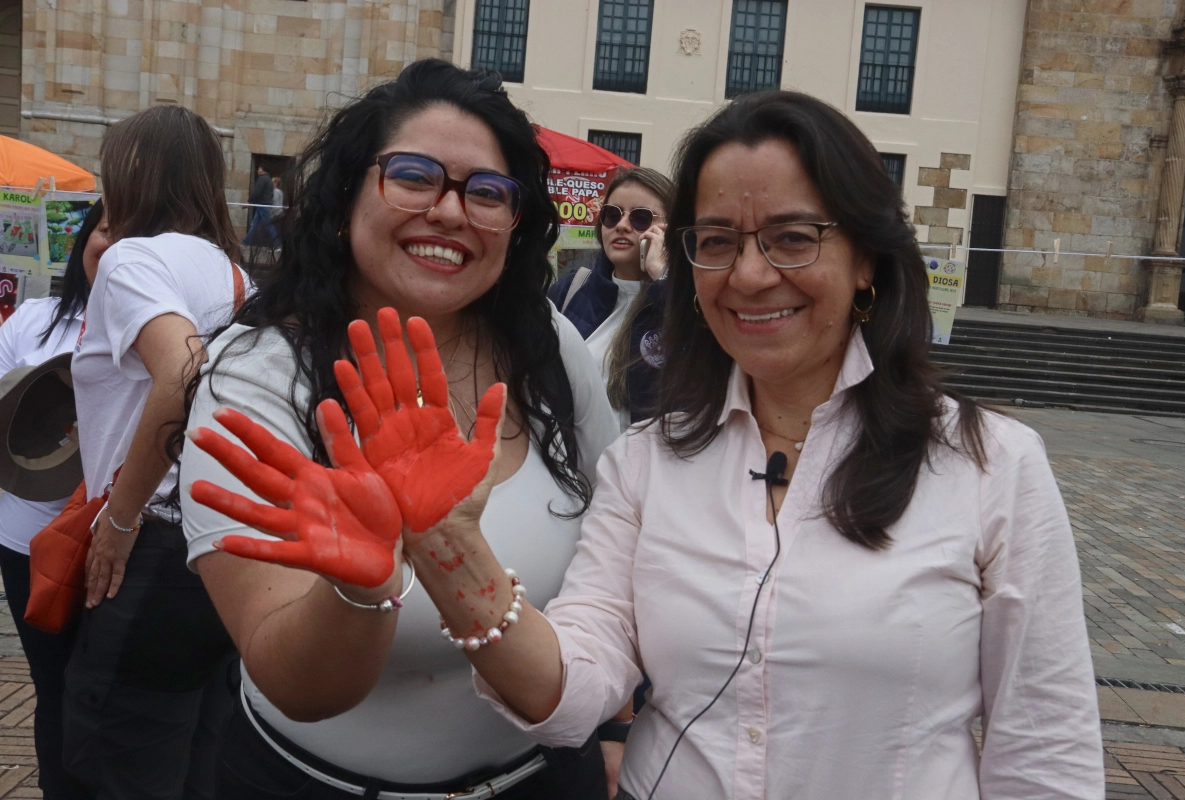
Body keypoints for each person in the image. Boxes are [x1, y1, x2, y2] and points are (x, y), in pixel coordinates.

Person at [194, 89, 1107, 800]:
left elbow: (1047, 751)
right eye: (716, 242)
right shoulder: (648, 461)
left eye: (793, 237)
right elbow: (580, 678)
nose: (751, 274)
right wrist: (449, 549)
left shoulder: (991, 467)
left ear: (867, 258)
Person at [177, 60, 619, 799]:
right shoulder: (255, 377)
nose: (450, 212)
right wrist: (360, 588)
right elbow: (297, 684)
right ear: (348, 193)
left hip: (544, 776)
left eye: (487, 192)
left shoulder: (545, 342)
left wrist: (614, 726)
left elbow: (615, 561)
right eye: (414, 176)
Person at [65, 105, 245, 799]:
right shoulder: (231, 273)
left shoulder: (131, 258)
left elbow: (181, 371)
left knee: (117, 760)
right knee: (193, 758)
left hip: (155, 548)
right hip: (218, 547)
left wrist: (120, 518)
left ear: (131, 175)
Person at [0, 200, 107, 800]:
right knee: (55, 686)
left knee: (111, 690)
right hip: (27, 539)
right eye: (106, 226)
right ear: (84, 238)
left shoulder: (165, 329)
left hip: (120, 538)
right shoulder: (36, 320)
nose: (116, 244)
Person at [548, 169, 672, 428]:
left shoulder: (687, 301)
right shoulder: (570, 289)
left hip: (641, 464)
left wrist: (664, 277)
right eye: (612, 215)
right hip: (567, 462)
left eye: (640, 218)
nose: (622, 226)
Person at [242, 164, 274, 246]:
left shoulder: (262, 179)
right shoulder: (269, 180)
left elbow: (257, 192)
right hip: (263, 205)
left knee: (269, 225)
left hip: (263, 205)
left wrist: (249, 201)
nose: (257, 170)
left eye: (259, 168)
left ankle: (277, 244)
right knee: (254, 225)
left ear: (262, 170)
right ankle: (245, 242)